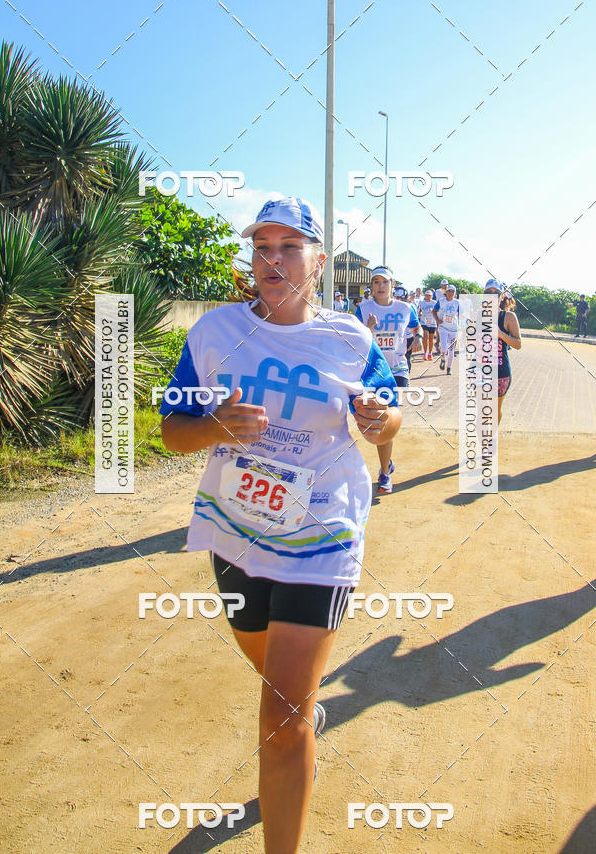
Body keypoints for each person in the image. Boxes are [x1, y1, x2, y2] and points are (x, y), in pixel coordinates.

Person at [159, 197, 402, 854]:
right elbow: (172, 430)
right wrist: (213, 426)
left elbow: (390, 411)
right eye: (262, 247)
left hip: (322, 532)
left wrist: (380, 420)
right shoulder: (215, 333)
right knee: (272, 674)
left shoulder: (349, 339)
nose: (272, 259)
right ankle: (302, 708)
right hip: (236, 532)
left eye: (289, 247)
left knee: (281, 711)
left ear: (318, 262)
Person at [356, 269, 421, 493]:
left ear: (392, 284)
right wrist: (368, 329)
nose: (380, 286)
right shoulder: (364, 309)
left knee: (386, 418)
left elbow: (416, 326)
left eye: (384, 282)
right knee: (382, 421)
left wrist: (419, 337)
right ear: (371, 285)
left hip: (398, 369)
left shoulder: (405, 308)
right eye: (376, 282)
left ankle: (385, 471)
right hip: (375, 370)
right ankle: (386, 468)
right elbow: (355, 339)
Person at [484, 279, 522, 423]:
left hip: (500, 372)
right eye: (488, 292)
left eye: (496, 293)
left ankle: (491, 435)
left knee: (494, 410)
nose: (492, 295)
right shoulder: (477, 315)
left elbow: (518, 344)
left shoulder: (508, 317)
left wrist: (500, 334)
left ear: (501, 297)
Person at [433, 283, 459, 374]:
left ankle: (449, 368)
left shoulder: (457, 303)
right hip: (443, 327)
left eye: (452, 292)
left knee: (451, 350)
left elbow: (462, 314)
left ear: (455, 293)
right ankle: (443, 358)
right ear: (446, 292)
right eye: (449, 291)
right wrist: (437, 320)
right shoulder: (441, 301)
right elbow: (434, 310)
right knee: (444, 347)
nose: (450, 293)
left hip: (453, 329)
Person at [417, 289, 438, 360]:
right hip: (424, 322)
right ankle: (425, 353)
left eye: (429, 295)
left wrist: (434, 312)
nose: (428, 297)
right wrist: (420, 313)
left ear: (432, 296)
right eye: (426, 295)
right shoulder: (422, 303)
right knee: (425, 337)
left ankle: (430, 353)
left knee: (431, 339)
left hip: (432, 322)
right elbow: (419, 310)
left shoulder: (434, 303)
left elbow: (438, 311)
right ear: (425, 296)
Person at [434, 279, 448, 353]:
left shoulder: (450, 291)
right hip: (439, 312)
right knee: (439, 329)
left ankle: (442, 345)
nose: (444, 286)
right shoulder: (437, 292)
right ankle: (437, 343)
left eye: (446, 285)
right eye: (443, 285)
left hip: (448, 312)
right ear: (441, 285)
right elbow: (433, 301)